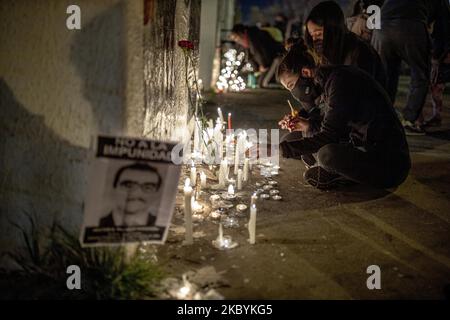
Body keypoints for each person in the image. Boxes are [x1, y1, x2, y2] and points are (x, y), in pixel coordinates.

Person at [277, 45, 410, 190]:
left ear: (305, 72)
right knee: (293, 139)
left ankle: (341, 176)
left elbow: (329, 135)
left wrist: (278, 150)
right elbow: (332, 122)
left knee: (326, 155)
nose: (293, 93)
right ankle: (335, 172)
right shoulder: (326, 82)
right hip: (358, 145)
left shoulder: (340, 81)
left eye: (291, 86)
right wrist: (307, 125)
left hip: (387, 163)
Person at [371, 0, 450, 135]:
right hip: (410, 27)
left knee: (386, 75)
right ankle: (409, 120)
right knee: (421, 75)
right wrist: (438, 55)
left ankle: (381, 118)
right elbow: (444, 28)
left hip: (380, 27)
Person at [304, 1, 386, 88]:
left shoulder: (358, 53)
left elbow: (354, 92)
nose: (314, 39)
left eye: (318, 34)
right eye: (312, 35)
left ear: (333, 29)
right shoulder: (331, 51)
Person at [99, 163, 162, 227]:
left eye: (147, 187)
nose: (136, 193)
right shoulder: (97, 223)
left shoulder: (160, 224)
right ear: (113, 189)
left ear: (156, 195)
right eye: (128, 185)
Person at [230, 24, 284, 88]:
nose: (237, 41)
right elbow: (246, 58)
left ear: (242, 33)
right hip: (268, 63)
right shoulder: (247, 42)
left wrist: (263, 65)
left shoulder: (254, 36)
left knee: (264, 83)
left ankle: (283, 85)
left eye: (236, 37)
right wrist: (235, 72)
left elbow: (260, 51)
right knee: (260, 83)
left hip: (276, 59)